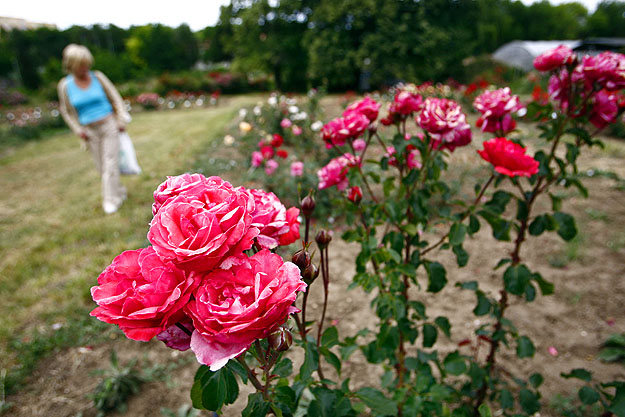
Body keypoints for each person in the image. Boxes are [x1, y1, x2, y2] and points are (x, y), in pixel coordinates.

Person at [57, 44, 130, 214]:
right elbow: (66, 111)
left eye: (87, 64)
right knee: (102, 167)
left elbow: (115, 97)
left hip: (108, 125)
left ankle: (110, 200)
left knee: (111, 162)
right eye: (81, 65)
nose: (85, 68)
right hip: (89, 131)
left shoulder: (98, 77)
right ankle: (119, 191)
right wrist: (77, 129)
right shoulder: (65, 85)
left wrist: (120, 119)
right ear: (72, 65)